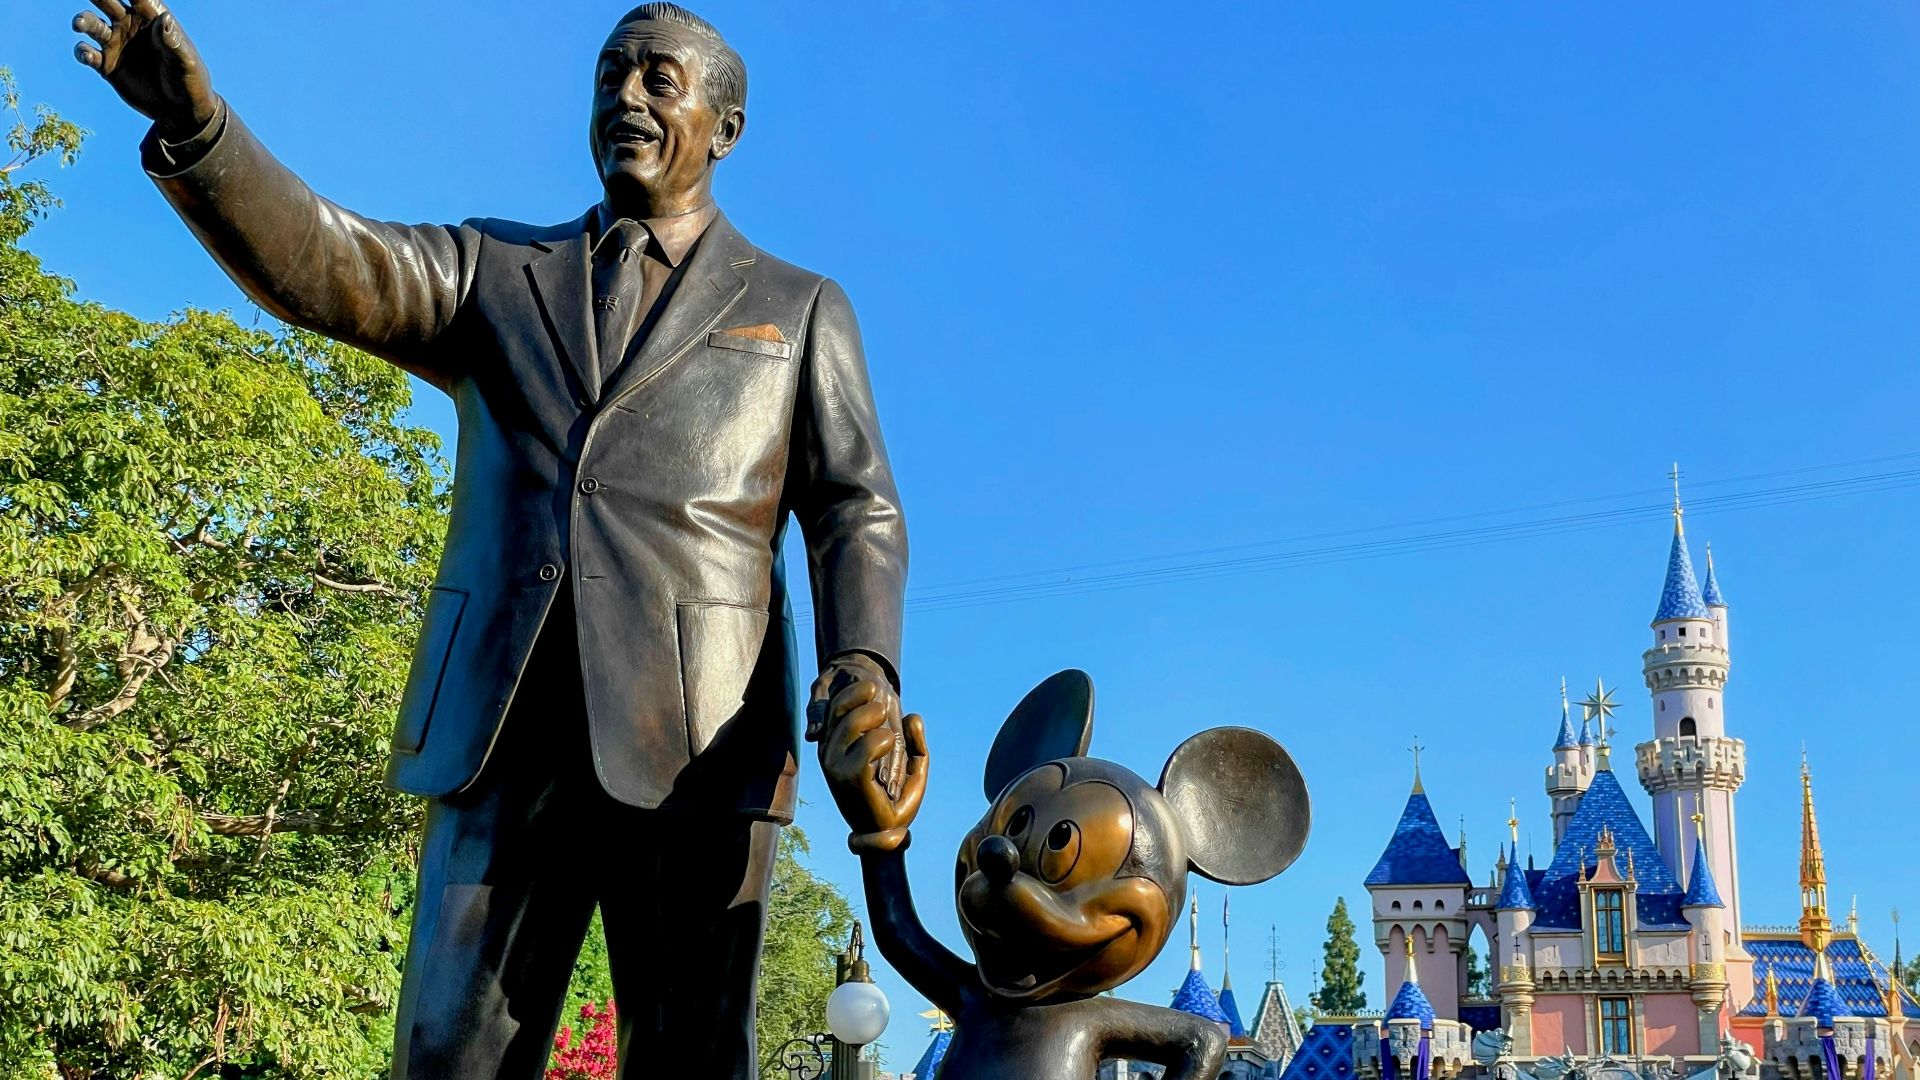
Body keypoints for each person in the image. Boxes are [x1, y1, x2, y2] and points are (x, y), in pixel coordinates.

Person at [71, 2, 908, 1076]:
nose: (627, 99)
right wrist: (201, 131)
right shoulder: (495, 270)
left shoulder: (798, 308)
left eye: (660, 79)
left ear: (726, 126)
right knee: (444, 1055)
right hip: (499, 736)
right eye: (611, 76)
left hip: (703, 743)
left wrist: (863, 667)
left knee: (693, 1060)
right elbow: (334, 260)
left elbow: (855, 506)